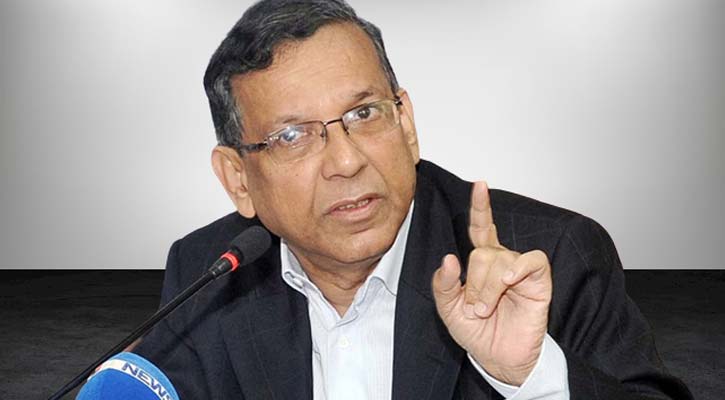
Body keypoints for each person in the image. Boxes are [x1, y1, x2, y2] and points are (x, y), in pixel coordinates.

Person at [134, 1, 693, 399]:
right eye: (293, 135)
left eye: (363, 113)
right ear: (237, 179)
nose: (346, 161)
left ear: (406, 124)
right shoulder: (206, 271)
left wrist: (533, 376)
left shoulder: (546, 257)